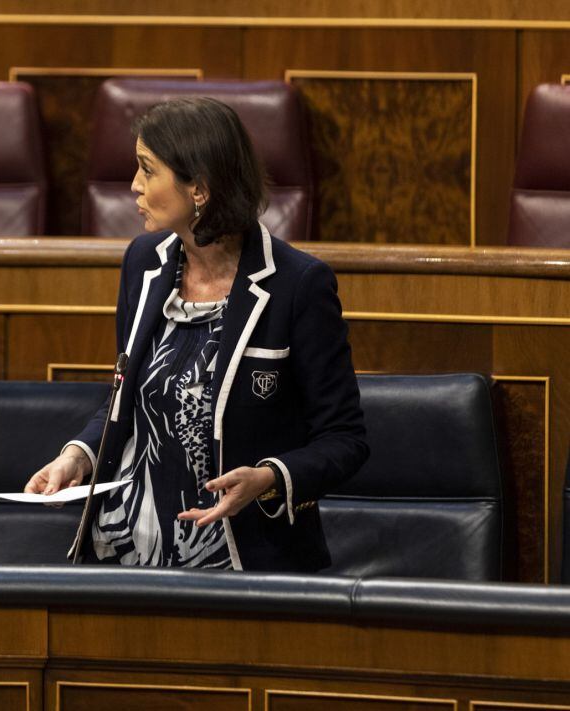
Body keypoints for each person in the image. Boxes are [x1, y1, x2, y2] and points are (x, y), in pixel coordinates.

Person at [23, 97, 368, 572]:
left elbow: (344, 439)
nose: (134, 185)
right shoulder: (143, 262)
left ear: (200, 189)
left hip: (239, 558)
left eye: (148, 170)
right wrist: (78, 457)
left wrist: (268, 478)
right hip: (124, 550)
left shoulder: (299, 285)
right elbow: (128, 399)